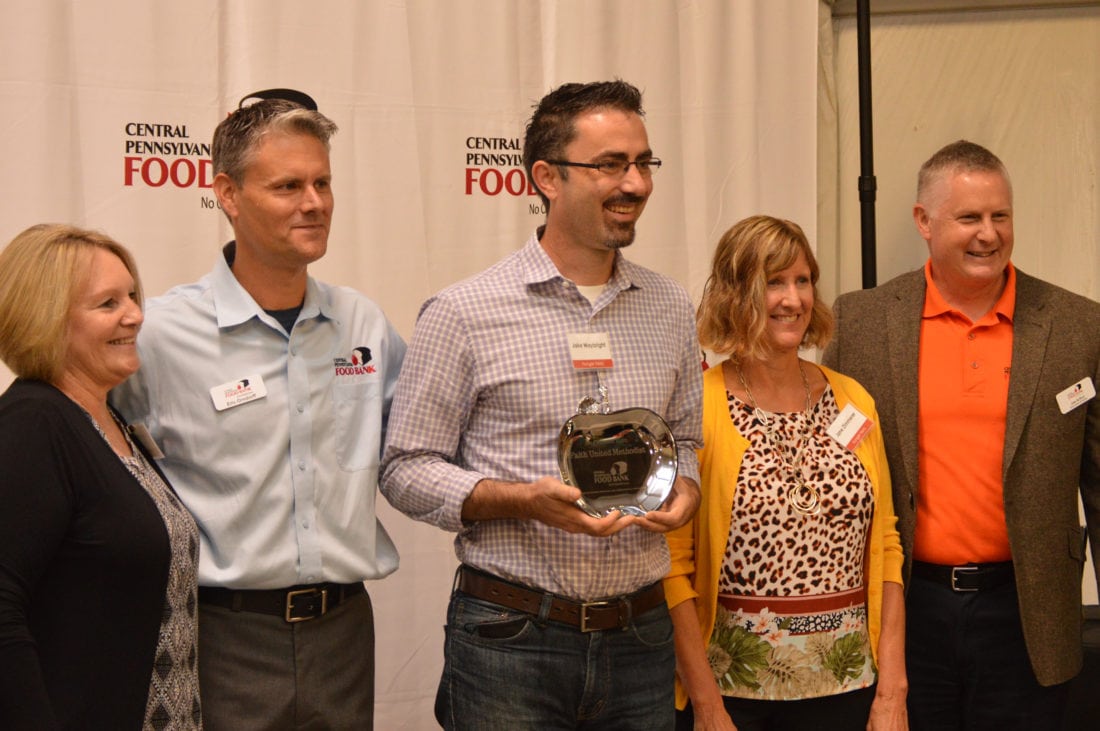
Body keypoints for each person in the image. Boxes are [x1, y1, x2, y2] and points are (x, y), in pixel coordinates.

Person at [380, 79, 703, 730]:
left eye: (643, 163)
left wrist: (686, 488)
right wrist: (521, 499)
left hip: (641, 634)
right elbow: (404, 468)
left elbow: (686, 437)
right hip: (511, 637)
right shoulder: (464, 312)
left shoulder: (670, 306)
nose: (636, 183)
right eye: (611, 164)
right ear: (547, 177)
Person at [112, 90, 406, 729]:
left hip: (344, 632)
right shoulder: (159, 333)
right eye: (288, 186)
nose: (314, 202)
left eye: (323, 183)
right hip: (221, 633)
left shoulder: (363, 324)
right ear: (228, 194)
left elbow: (414, 452)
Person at [822, 140, 1100, 729]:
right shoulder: (861, 323)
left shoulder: (1078, 326)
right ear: (923, 221)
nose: (988, 234)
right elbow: (832, 473)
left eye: (1001, 216)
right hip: (905, 610)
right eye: (969, 217)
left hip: (1029, 615)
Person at [664, 215, 907, 731]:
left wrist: (893, 689)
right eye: (773, 282)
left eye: (803, 280)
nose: (793, 300)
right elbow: (672, 567)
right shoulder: (698, 406)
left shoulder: (853, 399)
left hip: (851, 692)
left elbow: (887, 546)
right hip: (734, 699)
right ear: (735, 294)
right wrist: (707, 706)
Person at [0, 224, 201, 730]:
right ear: (46, 318)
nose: (135, 315)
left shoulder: (106, 420)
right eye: (108, 303)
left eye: (132, 296)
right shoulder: (33, 425)